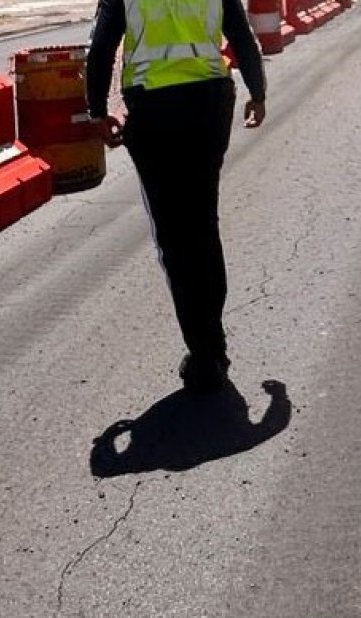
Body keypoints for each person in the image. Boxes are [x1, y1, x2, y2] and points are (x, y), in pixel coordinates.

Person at [86, 0, 268, 393]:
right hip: (209, 100)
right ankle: (212, 345)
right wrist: (258, 92)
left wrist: (97, 111)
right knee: (203, 224)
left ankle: (205, 353)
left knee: (174, 235)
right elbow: (240, 33)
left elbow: (101, 47)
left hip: (154, 107)